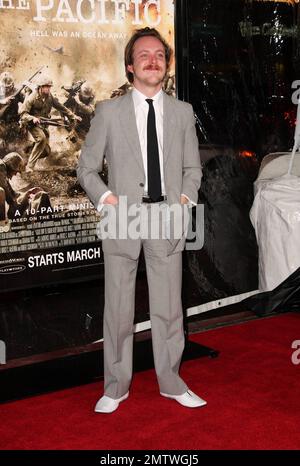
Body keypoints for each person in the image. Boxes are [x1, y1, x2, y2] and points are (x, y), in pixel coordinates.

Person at [77, 27, 205, 413]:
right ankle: (115, 388)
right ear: (130, 66)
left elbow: (192, 169)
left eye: (160, 55)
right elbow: (86, 169)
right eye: (144, 55)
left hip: (167, 215)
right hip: (122, 216)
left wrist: (184, 200)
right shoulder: (108, 112)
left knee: (169, 306)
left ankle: (171, 381)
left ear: (166, 65)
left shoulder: (182, 113)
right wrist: (107, 199)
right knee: (118, 308)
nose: (153, 60)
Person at [19, 75, 80, 172]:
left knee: (46, 151)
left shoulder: (50, 97)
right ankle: (29, 167)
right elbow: (22, 114)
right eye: (46, 86)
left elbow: (61, 107)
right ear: (40, 87)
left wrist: (73, 116)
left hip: (43, 124)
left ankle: (27, 152)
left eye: (49, 87)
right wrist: (32, 118)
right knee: (41, 139)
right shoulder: (31, 98)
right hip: (31, 124)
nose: (48, 89)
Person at [0, 152, 51, 221]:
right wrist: (16, 203)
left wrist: (27, 193)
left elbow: (12, 192)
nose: (15, 174)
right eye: (16, 171)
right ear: (11, 166)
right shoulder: (1, 167)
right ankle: (1, 223)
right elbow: (8, 195)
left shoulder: (4, 171)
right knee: (1, 192)